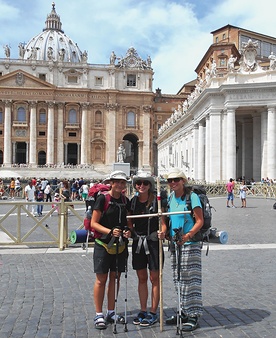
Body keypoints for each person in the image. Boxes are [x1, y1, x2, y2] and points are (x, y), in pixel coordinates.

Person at [91, 170, 132, 330]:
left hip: (119, 245)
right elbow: (94, 223)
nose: (120, 185)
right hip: (103, 244)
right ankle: (99, 313)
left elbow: (128, 221)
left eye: (123, 183)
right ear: (111, 183)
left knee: (115, 278)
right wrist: (109, 231)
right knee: (101, 280)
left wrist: (129, 231)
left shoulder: (125, 201)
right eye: (117, 182)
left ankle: (111, 311)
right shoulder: (102, 199)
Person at [165, 168, 203, 331]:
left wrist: (187, 236)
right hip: (175, 243)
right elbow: (167, 219)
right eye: (170, 180)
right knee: (178, 278)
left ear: (183, 181)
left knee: (191, 280)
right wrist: (164, 232)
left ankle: (193, 314)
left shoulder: (192, 197)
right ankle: (184, 311)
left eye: (176, 180)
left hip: (190, 243)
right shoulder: (170, 198)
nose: (173, 183)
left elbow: (199, 221)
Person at [130, 171, 166, 326]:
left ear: (150, 185)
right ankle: (143, 309)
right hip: (139, 241)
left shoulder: (157, 201)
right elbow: (129, 220)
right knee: (142, 278)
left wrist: (163, 231)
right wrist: (131, 232)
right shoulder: (132, 202)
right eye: (139, 183)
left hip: (153, 241)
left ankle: (153, 311)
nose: (142, 186)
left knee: (154, 278)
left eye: (145, 183)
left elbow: (163, 221)